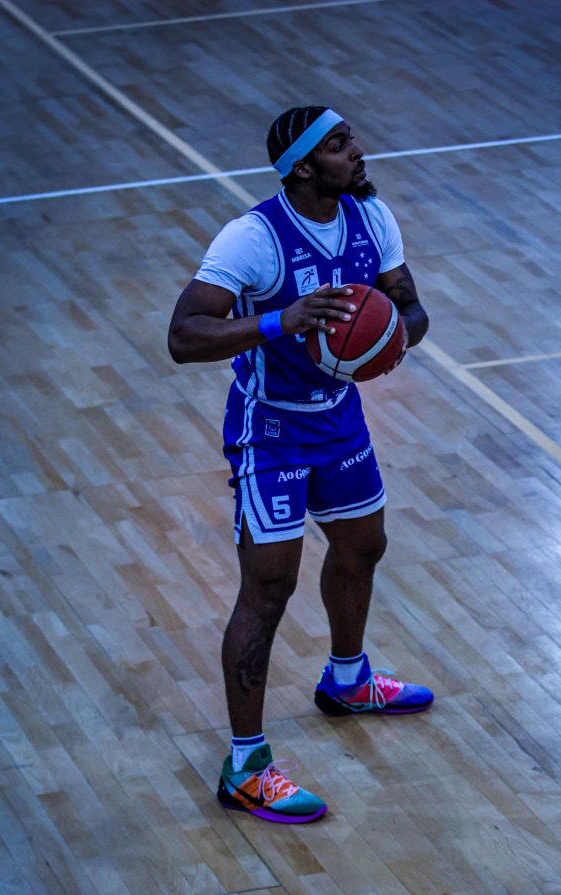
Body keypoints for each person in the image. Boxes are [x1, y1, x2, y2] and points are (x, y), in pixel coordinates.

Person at [168, 106, 433, 825]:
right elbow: (183, 336)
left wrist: (385, 338)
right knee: (268, 588)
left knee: (363, 547)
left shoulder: (371, 217)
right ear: (304, 167)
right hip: (271, 432)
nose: (359, 151)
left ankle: (347, 680)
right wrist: (281, 320)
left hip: (339, 419)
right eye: (341, 145)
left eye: (352, 138)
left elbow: (411, 311)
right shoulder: (253, 238)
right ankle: (246, 768)